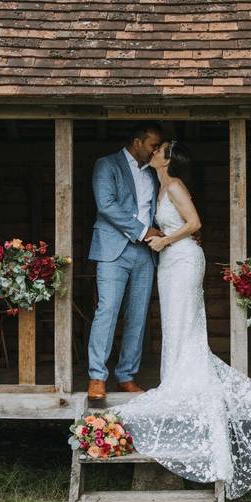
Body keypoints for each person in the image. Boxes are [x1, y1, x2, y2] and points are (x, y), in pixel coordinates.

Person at [112, 140, 251, 499]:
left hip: (183, 257)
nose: (154, 151)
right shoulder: (160, 185)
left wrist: (165, 242)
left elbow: (194, 223)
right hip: (171, 259)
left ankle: (182, 379)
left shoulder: (175, 185)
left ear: (168, 159)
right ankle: (176, 375)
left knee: (183, 321)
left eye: (159, 149)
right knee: (176, 322)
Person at [86, 122, 165, 401]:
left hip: (146, 253)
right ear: (137, 142)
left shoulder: (155, 174)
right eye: (153, 145)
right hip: (112, 249)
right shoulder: (107, 165)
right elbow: (106, 205)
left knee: (138, 315)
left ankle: (126, 376)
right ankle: (97, 376)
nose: (156, 150)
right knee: (107, 311)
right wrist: (143, 231)